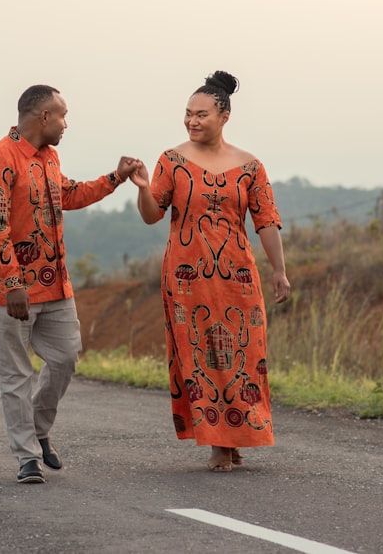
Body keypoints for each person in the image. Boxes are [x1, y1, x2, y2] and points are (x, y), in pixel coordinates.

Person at [0, 84, 140, 484]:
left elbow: (69, 194)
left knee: (66, 358)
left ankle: (37, 429)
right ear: (43, 117)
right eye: (62, 116)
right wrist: (13, 282)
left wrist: (115, 178)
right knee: (16, 375)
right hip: (9, 292)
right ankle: (27, 457)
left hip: (55, 288)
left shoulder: (49, 158)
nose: (66, 124)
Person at [129, 70, 291, 472]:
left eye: (201, 114)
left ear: (224, 116)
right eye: (187, 114)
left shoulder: (251, 166)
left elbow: (266, 221)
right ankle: (219, 441)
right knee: (201, 356)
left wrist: (279, 272)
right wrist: (142, 188)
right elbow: (153, 216)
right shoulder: (172, 160)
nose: (192, 121)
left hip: (238, 277)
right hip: (187, 279)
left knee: (244, 355)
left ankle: (238, 434)